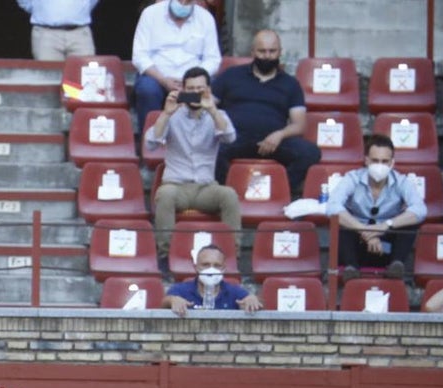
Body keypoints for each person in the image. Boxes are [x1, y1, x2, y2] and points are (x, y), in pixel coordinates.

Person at [145, 65, 240, 262]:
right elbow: (150, 143)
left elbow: (230, 138)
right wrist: (166, 113)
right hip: (177, 186)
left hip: (205, 188)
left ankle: (232, 255)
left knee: (229, 195)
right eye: (191, 89)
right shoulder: (173, 115)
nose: (196, 93)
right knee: (165, 195)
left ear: (208, 90)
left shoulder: (218, 115)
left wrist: (212, 110)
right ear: (183, 91)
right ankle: (165, 255)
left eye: (200, 89)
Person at [211, 29, 321, 197]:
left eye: (272, 51)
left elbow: (299, 125)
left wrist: (280, 135)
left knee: (310, 153)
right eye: (262, 51)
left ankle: (278, 192)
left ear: (280, 52)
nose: (267, 56)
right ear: (253, 52)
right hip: (234, 137)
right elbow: (207, 105)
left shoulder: (290, 84)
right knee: (211, 148)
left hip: (272, 141)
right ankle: (231, 195)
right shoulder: (231, 75)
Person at [326, 134, 426, 282]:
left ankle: (396, 265)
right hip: (357, 240)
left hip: (386, 244)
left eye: (385, 161)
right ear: (366, 160)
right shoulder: (352, 178)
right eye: (375, 161)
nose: (380, 165)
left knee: (411, 221)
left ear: (392, 162)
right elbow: (332, 207)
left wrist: (385, 226)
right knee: (340, 221)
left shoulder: (401, 181)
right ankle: (351, 268)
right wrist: (364, 229)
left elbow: (420, 210)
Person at [132, 0, 221, 131]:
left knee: (209, 91)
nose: (183, 3)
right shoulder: (150, 14)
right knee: (147, 90)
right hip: (157, 77)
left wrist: (191, 82)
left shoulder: (205, 18)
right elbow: (139, 56)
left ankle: (194, 140)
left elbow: (213, 59)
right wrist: (163, 80)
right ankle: (150, 140)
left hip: (192, 80)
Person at [161, 244, 262, 316]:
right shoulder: (181, 290)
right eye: (206, 265)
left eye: (217, 265)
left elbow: (256, 304)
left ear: (223, 268)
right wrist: (172, 301)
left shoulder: (233, 292)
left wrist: (253, 300)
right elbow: (163, 304)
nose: (211, 269)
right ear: (196, 267)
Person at [15, 0, 99, 61]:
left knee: (84, 76)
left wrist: (80, 11)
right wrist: (39, 10)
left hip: (80, 33)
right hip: (47, 33)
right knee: (49, 77)